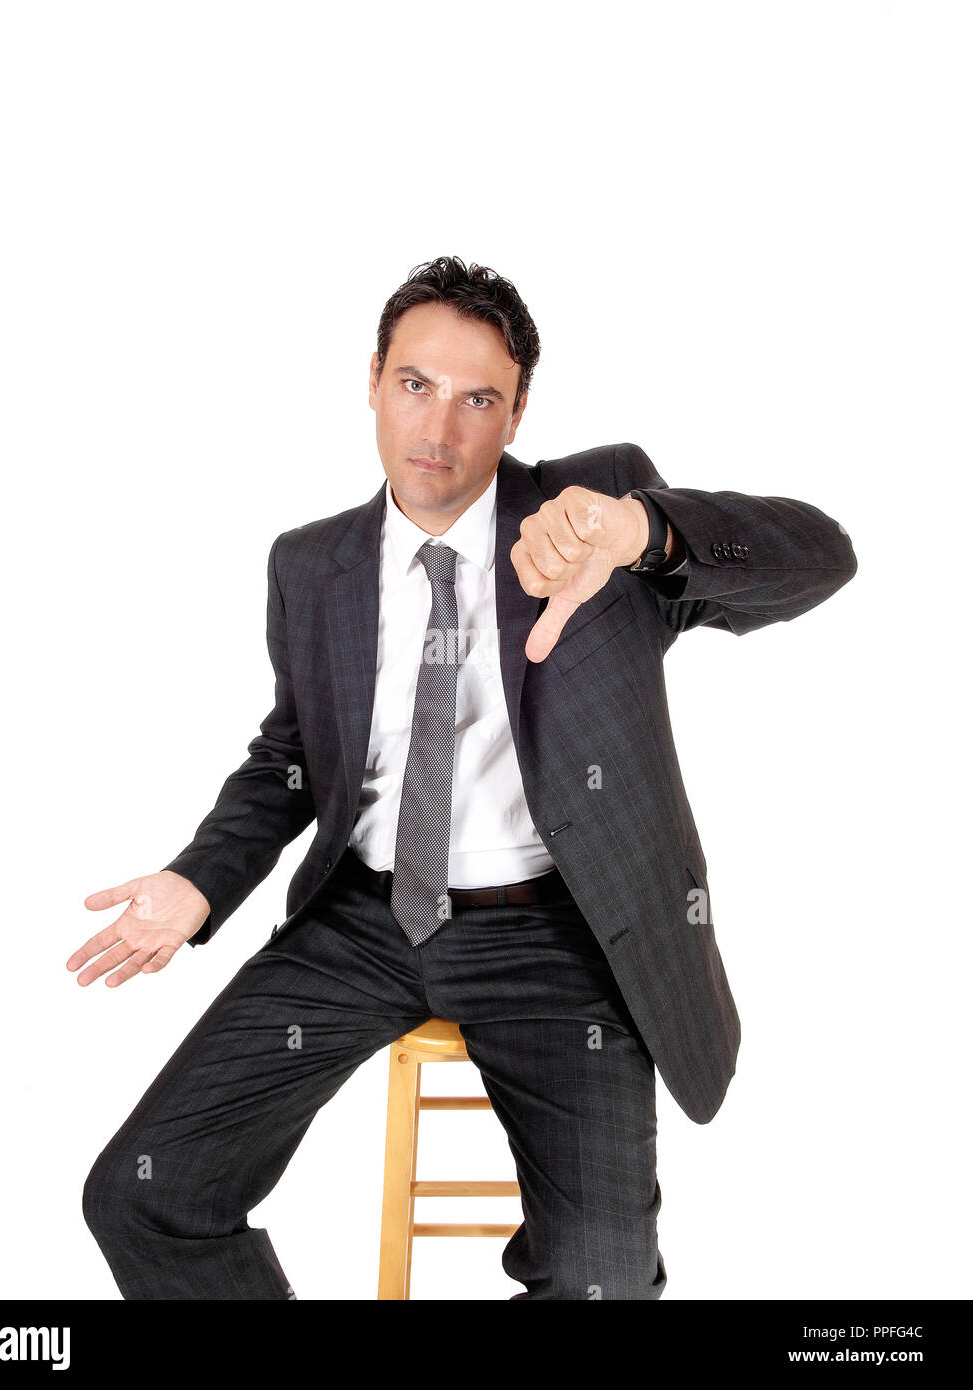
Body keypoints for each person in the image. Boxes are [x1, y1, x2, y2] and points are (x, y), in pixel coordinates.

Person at [71, 255, 857, 1300]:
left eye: (477, 397)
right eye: (414, 384)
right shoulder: (311, 565)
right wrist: (200, 879)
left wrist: (641, 531)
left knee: (600, 1280)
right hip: (359, 924)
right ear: (372, 380)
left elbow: (819, 555)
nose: (437, 428)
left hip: (553, 933)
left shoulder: (588, 518)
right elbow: (291, 757)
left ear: (518, 408)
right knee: (141, 1194)